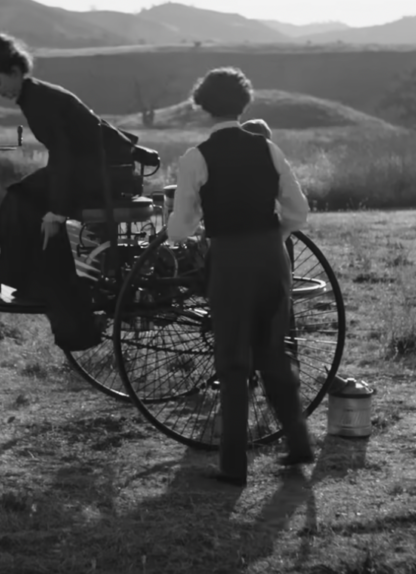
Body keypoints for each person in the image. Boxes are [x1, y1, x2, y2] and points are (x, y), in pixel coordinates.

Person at [167, 67, 314, 486]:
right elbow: (298, 211)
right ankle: (299, 443)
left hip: (230, 261)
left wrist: (197, 224)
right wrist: (274, 235)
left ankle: (233, 466)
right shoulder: (268, 150)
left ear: (203, 106)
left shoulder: (196, 157)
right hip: (271, 257)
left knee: (233, 360)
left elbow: (180, 229)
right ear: (245, 103)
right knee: (273, 350)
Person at [0, 33, 140, 351]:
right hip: (92, 169)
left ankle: (35, 282)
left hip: (96, 174)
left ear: (14, 72)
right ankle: (30, 280)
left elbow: (65, 154)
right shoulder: (35, 95)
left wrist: (58, 210)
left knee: (20, 202)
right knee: (20, 199)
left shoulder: (38, 99)